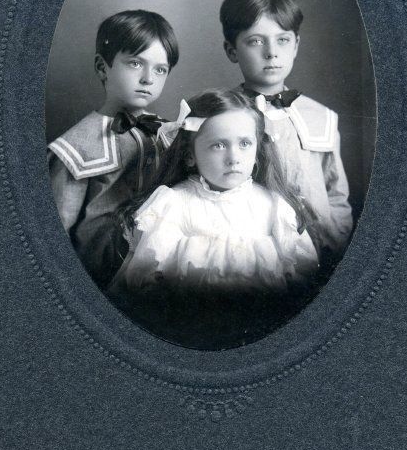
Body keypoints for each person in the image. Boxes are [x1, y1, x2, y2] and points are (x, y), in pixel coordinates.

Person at [107, 89, 320, 348]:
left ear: (257, 149)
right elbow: (142, 280)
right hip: (188, 331)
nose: (233, 158)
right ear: (190, 155)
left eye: (244, 143)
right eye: (218, 145)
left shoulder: (273, 206)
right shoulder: (174, 204)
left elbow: (304, 278)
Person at [219, 0, 353, 258]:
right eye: (256, 41)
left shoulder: (321, 117)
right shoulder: (219, 117)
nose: (271, 52)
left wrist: (335, 249)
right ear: (231, 50)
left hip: (319, 254)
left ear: (295, 46)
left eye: (282, 40)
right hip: (250, 260)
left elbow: (336, 195)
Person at [47, 9, 179, 288]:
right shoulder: (75, 147)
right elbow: (55, 235)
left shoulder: (168, 133)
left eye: (160, 69)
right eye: (135, 63)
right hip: (99, 279)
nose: (148, 78)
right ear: (102, 67)